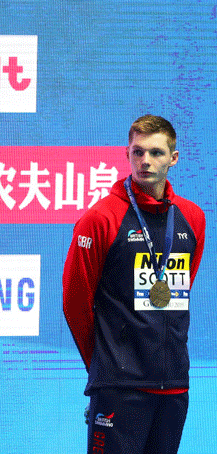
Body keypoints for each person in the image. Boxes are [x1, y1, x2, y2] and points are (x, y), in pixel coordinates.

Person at [63, 114, 205, 454]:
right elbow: (75, 303)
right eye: (137, 152)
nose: (145, 161)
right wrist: (104, 365)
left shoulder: (193, 218)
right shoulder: (100, 218)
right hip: (118, 386)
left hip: (173, 387)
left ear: (174, 158)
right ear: (127, 154)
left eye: (156, 153)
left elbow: (179, 294)